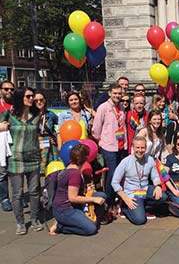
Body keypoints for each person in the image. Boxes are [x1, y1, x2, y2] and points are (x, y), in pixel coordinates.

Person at [0, 87, 43, 235]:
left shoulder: (37, 115)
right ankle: (20, 223)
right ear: (20, 98)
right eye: (29, 96)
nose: (32, 99)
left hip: (33, 158)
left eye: (33, 96)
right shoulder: (9, 115)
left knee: (34, 191)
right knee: (17, 193)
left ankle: (35, 219)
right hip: (15, 158)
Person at [49, 144, 106, 236]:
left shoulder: (70, 168)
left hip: (69, 206)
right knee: (90, 229)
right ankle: (61, 226)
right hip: (65, 209)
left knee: (102, 196)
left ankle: (85, 217)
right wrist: (93, 199)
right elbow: (73, 198)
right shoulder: (74, 174)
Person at [112, 136, 167, 225]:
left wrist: (158, 186)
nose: (140, 150)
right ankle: (124, 207)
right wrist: (125, 198)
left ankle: (144, 207)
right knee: (140, 220)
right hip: (131, 193)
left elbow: (155, 176)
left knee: (163, 196)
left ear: (146, 148)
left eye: (142, 148)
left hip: (144, 190)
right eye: (137, 148)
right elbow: (114, 182)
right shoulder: (125, 162)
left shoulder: (150, 160)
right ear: (133, 148)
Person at [92, 83, 128, 217]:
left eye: (119, 93)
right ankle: (108, 201)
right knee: (112, 175)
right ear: (109, 93)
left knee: (118, 175)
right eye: (115, 93)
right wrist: (102, 141)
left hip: (121, 146)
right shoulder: (103, 107)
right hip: (109, 146)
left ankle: (113, 201)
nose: (117, 96)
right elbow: (96, 129)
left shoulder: (121, 108)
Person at [34, 91, 59, 174]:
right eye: (36, 100)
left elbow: (61, 125)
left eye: (41, 100)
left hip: (51, 145)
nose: (39, 102)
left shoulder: (50, 114)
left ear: (45, 100)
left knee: (52, 171)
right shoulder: (30, 115)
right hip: (36, 145)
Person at [0, 80, 14, 212]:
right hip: (1, 144)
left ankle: (17, 197)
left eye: (11, 89)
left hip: (15, 142)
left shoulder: (16, 106)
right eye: (6, 89)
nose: (9, 91)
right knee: (2, 172)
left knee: (16, 171)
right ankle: (4, 198)